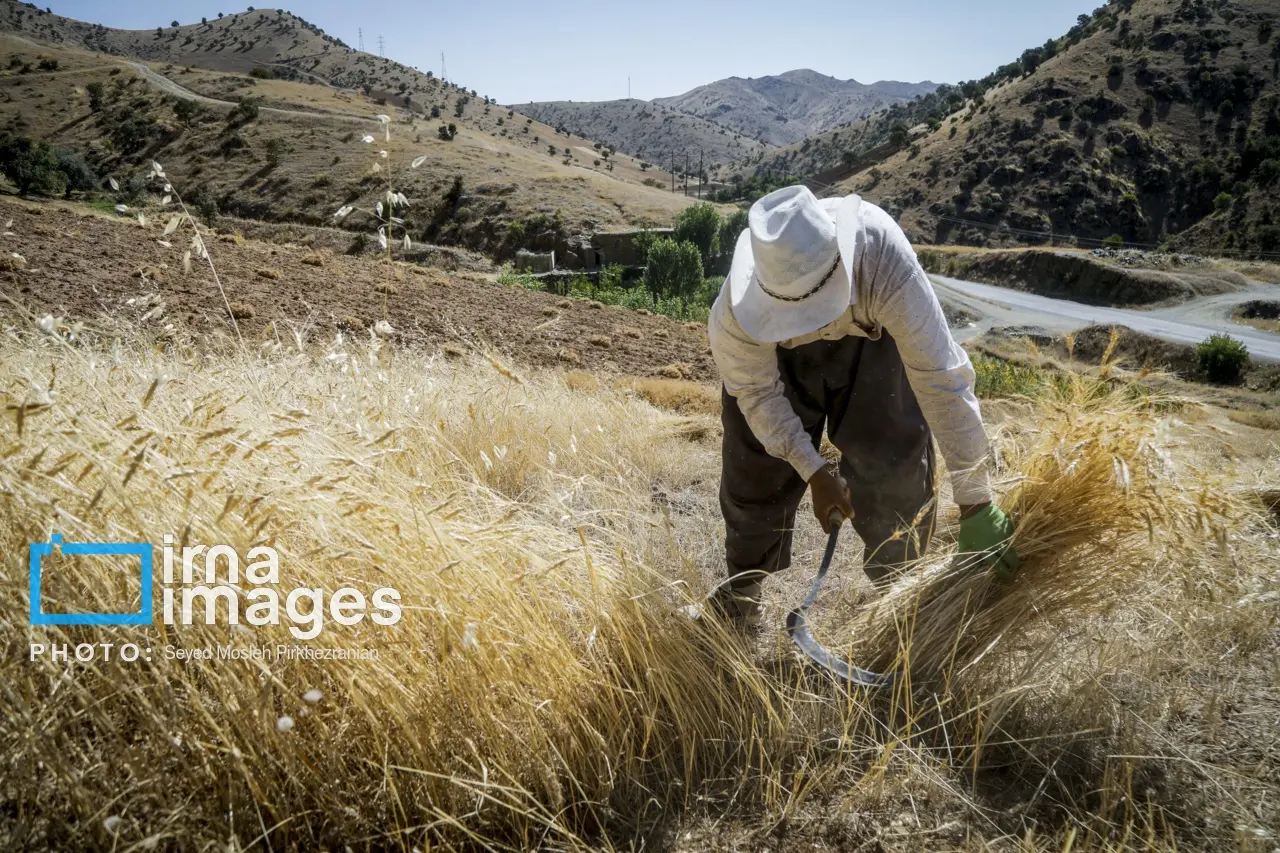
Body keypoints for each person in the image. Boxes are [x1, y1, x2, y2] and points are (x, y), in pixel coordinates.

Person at [699, 185, 1017, 630]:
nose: (814, 323)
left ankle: (900, 599)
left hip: (873, 344)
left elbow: (941, 380)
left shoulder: (883, 258)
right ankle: (744, 592)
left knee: (894, 457)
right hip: (781, 364)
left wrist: (976, 502)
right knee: (754, 467)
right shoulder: (735, 316)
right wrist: (814, 471)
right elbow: (756, 395)